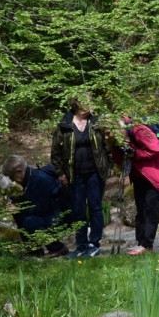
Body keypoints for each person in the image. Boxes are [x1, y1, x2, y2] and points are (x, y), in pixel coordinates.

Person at [50, 96, 113, 258]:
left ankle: (94, 244)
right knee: (78, 210)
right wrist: (60, 172)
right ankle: (81, 246)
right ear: (77, 105)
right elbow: (55, 152)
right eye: (87, 103)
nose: (90, 106)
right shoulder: (65, 125)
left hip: (95, 173)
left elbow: (108, 146)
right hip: (74, 175)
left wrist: (110, 166)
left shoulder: (97, 123)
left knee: (95, 208)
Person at [110, 115, 159, 255]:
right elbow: (119, 161)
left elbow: (155, 150)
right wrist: (118, 148)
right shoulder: (116, 138)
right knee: (141, 209)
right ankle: (141, 243)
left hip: (157, 172)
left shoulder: (139, 129)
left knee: (151, 208)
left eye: (108, 133)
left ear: (117, 128)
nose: (106, 136)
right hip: (139, 174)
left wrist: (134, 153)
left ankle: (146, 244)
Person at [0, 155, 68, 258]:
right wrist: (15, 201)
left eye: (13, 177)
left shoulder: (39, 179)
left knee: (29, 221)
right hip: (51, 213)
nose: (14, 181)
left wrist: (19, 209)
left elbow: (41, 209)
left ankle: (58, 248)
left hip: (61, 217)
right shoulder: (30, 178)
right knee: (18, 214)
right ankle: (33, 249)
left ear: (19, 171)